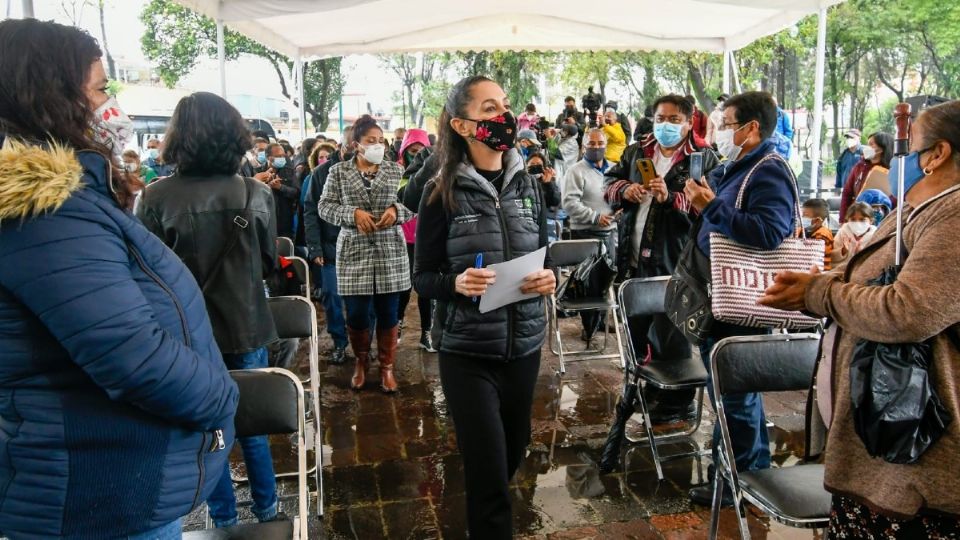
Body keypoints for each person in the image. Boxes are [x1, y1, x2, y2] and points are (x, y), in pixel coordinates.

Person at [0, 19, 238, 538]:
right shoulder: (43, 211)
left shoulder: (68, 202)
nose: (111, 106)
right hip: (103, 490)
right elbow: (131, 354)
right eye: (101, 88)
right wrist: (222, 397)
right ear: (52, 97)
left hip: (104, 476)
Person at [758, 100, 960, 539]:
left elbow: (909, 310)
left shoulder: (954, 214)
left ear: (938, 154)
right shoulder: (920, 207)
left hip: (916, 456)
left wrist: (819, 293)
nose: (895, 160)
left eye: (910, 147)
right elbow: (886, 277)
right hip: (881, 451)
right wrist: (834, 276)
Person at [413, 76, 556, 539]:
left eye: (506, 107)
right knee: (489, 476)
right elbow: (424, 277)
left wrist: (549, 277)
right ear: (461, 124)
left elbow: (543, 254)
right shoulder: (440, 192)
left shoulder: (529, 185)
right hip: (468, 352)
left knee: (512, 455)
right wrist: (456, 282)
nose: (505, 119)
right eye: (490, 110)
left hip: (524, 346)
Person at [136, 92, 281, 528]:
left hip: (185, 333)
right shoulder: (254, 192)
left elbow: (146, 274)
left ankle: (222, 519)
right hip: (248, 324)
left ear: (178, 138)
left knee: (208, 429)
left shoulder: (155, 197)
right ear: (233, 135)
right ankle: (270, 510)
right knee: (251, 423)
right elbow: (271, 264)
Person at [680, 91, 798, 506]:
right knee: (731, 394)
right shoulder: (737, 167)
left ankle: (738, 480)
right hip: (721, 294)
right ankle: (742, 471)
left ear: (751, 128)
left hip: (743, 302)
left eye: (727, 124)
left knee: (735, 395)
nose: (720, 131)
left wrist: (712, 208)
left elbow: (770, 233)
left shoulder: (770, 171)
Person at [604, 94, 720, 423]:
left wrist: (672, 199)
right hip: (632, 252)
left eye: (673, 119)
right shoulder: (637, 151)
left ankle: (677, 403)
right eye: (660, 117)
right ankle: (649, 389)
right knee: (637, 330)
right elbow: (608, 183)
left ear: (687, 122)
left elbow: (707, 208)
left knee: (673, 332)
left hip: (676, 258)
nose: (665, 124)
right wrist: (625, 190)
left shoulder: (703, 159)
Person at [317, 115, 413, 393]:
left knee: (388, 312)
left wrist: (397, 212)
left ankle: (386, 367)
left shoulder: (397, 171)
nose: (377, 146)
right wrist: (352, 213)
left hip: (390, 251)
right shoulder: (338, 172)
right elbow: (324, 207)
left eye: (381, 141)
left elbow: (412, 204)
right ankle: (361, 362)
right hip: (353, 251)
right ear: (356, 144)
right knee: (357, 314)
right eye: (371, 141)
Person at [304, 127, 355, 365]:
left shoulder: (372, 172)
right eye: (351, 147)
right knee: (332, 297)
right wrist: (315, 248)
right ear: (341, 146)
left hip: (362, 248)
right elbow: (311, 211)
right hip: (331, 247)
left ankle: (362, 344)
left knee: (365, 302)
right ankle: (339, 342)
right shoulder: (322, 174)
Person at [563, 128, 618, 341]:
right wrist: (595, 217)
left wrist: (619, 210)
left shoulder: (613, 169)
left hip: (609, 232)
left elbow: (618, 194)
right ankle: (589, 326)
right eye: (592, 144)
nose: (596, 147)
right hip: (586, 233)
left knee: (606, 280)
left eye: (600, 143)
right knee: (589, 284)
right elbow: (569, 203)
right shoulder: (575, 171)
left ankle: (601, 321)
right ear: (584, 146)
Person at [394, 128, 435, 351]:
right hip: (404, 238)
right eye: (412, 150)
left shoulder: (436, 171)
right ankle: (397, 325)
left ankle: (426, 332)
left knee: (427, 289)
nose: (416, 153)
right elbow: (402, 198)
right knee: (404, 286)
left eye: (420, 150)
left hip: (427, 238)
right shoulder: (398, 172)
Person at [840, 132, 893, 221]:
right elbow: (847, 193)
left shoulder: (893, 170)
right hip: (857, 217)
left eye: (871, 144)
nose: (867, 147)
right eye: (867, 144)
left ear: (881, 149)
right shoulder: (859, 167)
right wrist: (843, 219)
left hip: (883, 219)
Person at [257, 142, 301, 238]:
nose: (282, 159)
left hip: (284, 221)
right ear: (268, 157)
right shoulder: (258, 172)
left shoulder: (289, 171)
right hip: (264, 220)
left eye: (283, 156)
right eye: (278, 156)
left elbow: (296, 192)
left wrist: (280, 187)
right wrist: (263, 185)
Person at [526, 150, 562, 242]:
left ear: (544, 167)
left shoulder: (550, 182)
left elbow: (555, 201)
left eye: (538, 164)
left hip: (547, 225)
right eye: (532, 164)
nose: (535, 166)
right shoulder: (522, 182)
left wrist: (548, 183)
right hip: (528, 226)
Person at [832, 201, 876, 267]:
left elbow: (877, 259)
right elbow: (832, 257)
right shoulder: (842, 232)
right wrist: (843, 251)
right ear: (847, 220)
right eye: (853, 219)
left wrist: (862, 254)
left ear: (871, 221)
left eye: (862, 220)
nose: (857, 223)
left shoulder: (875, 235)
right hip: (842, 269)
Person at [801, 198, 835, 271]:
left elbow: (810, 256)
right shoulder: (810, 230)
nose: (802, 219)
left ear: (817, 221)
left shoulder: (822, 235)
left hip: (820, 272)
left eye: (805, 216)